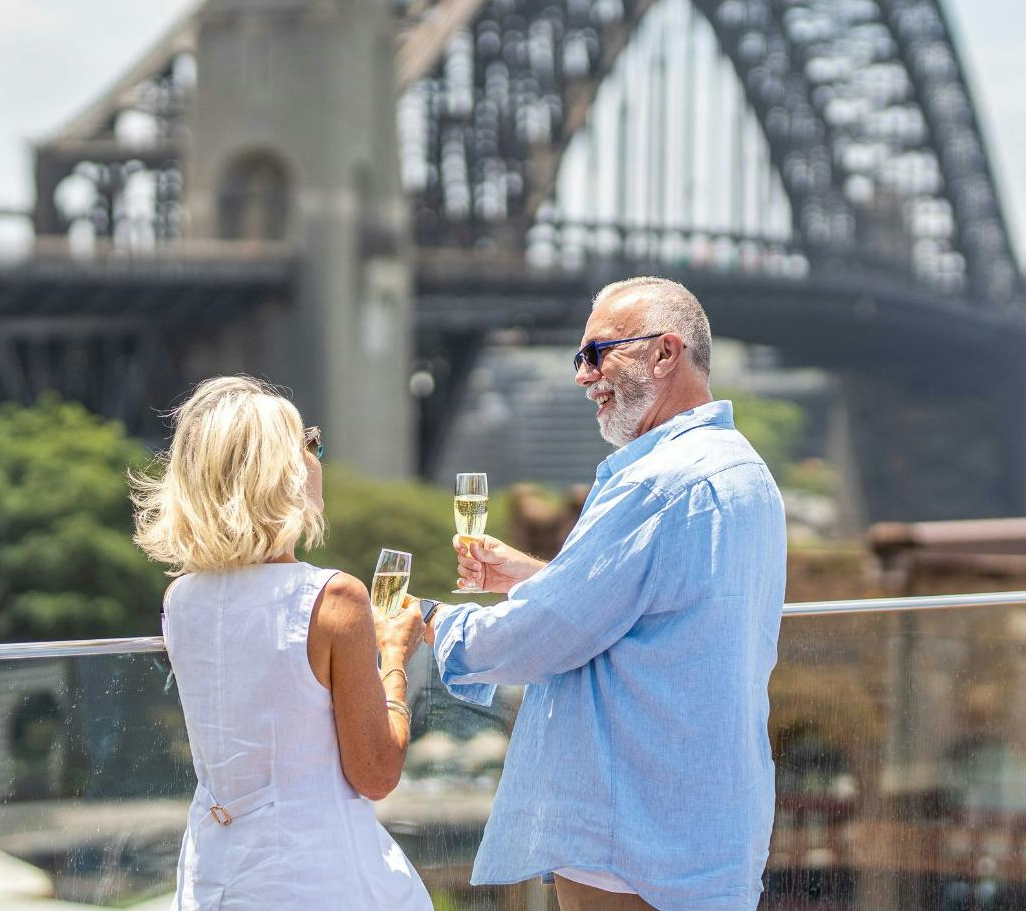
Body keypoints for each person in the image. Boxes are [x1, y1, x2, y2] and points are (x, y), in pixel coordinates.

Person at [427, 277, 787, 911]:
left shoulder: (655, 481)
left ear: (663, 352)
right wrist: (541, 577)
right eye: (578, 358)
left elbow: (540, 638)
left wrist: (430, 621)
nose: (582, 375)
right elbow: (663, 608)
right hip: (713, 827)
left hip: (633, 837)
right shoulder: (745, 472)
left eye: (597, 353)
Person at [133, 375, 432, 911]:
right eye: (309, 444)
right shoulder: (332, 598)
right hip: (315, 874)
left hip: (215, 872)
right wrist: (393, 658)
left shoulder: (181, 600)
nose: (318, 459)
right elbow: (376, 772)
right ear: (281, 470)